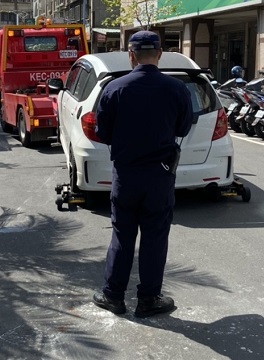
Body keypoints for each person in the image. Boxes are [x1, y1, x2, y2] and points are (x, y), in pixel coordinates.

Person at [92, 30, 194, 318]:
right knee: (155, 236)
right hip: (160, 175)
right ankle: (149, 299)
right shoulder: (176, 89)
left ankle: (113, 296)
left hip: (126, 174)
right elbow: (183, 129)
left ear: (131, 55)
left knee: (122, 235)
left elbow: (102, 132)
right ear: (160, 54)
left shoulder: (114, 88)